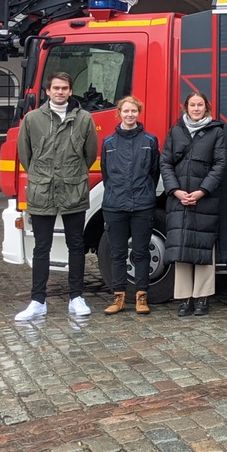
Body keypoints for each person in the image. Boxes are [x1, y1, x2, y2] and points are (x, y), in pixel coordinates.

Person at [14, 72, 99, 321]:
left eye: (65, 88)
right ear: (48, 91)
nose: (60, 92)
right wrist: (43, 176)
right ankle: (37, 301)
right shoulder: (32, 119)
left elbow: (89, 154)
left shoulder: (84, 119)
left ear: (71, 91)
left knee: (76, 245)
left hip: (73, 189)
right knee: (42, 247)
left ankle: (76, 298)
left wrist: (70, 174)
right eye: (56, 88)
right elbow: (25, 155)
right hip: (43, 191)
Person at [161, 91, 226, 318]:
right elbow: (165, 163)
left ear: (206, 107)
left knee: (203, 246)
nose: (196, 109)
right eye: (192, 105)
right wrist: (176, 191)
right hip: (179, 198)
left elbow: (220, 165)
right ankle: (184, 298)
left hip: (204, 198)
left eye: (200, 105)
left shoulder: (216, 132)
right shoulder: (175, 131)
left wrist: (201, 191)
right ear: (185, 108)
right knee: (181, 247)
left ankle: (202, 297)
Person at [100, 95, 160, 316]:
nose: (130, 115)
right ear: (119, 113)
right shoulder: (108, 143)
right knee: (117, 253)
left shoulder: (150, 141)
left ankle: (141, 297)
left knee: (141, 252)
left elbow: (154, 173)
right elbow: (107, 176)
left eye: (133, 111)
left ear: (139, 113)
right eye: (126, 111)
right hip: (115, 205)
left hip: (142, 205)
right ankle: (118, 297)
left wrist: (144, 192)